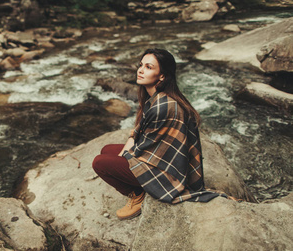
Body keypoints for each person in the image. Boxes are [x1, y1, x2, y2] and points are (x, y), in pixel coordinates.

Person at [92, 48, 228, 220]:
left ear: (162, 75)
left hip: (167, 174)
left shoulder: (164, 106)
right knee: (107, 150)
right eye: (140, 65)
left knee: (100, 163)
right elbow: (137, 135)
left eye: (148, 67)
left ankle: (137, 194)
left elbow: (143, 148)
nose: (140, 70)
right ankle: (140, 186)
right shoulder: (154, 98)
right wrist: (123, 154)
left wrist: (124, 157)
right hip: (158, 160)